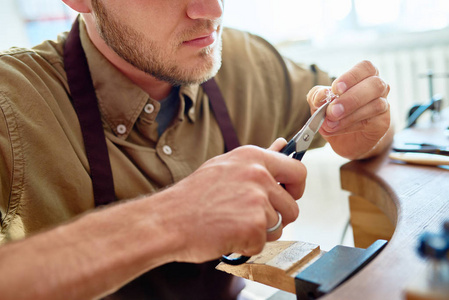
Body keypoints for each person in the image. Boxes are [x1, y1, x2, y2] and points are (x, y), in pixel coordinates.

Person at [0, 0, 392, 299]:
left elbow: (362, 116)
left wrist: (365, 124)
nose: (213, 10)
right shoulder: (12, 104)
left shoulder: (245, 60)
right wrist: (170, 221)